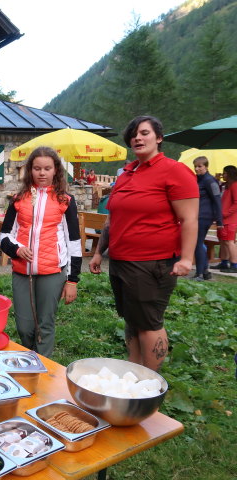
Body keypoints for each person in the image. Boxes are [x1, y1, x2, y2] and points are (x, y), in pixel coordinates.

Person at [89, 115, 198, 371]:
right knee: (131, 318)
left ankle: (149, 382)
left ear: (159, 138)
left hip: (152, 262)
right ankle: (133, 369)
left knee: (149, 322)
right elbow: (112, 218)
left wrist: (186, 259)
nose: (138, 138)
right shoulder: (127, 173)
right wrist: (98, 253)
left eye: (145, 133)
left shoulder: (174, 171)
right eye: (134, 134)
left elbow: (190, 218)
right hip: (120, 260)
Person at [0, 147, 81, 357]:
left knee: (45, 324)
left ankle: (42, 366)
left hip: (52, 272)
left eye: (47, 168)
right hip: (22, 271)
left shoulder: (65, 201)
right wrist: (17, 249)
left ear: (56, 171)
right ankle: (29, 356)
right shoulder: (18, 199)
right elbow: (4, 236)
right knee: (25, 326)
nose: (42, 173)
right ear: (30, 171)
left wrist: (72, 280)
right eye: (37, 168)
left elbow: (73, 241)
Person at [192, 156, 223, 280]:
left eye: (200, 166)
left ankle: (199, 274)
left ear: (206, 166)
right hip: (196, 215)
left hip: (204, 216)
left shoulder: (210, 181)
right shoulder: (198, 180)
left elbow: (217, 200)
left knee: (197, 243)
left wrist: (220, 220)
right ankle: (205, 272)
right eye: (195, 166)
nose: (197, 169)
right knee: (198, 243)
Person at [211, 165, 237, 273]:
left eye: (225, 173)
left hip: (230, 219)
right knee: (222, 241)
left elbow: (236, 202)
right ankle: (224, 262)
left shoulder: (235, 185)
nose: (223, 175)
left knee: (229, 242)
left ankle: (234, 265)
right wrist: (216, 179)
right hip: (222, 219)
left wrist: (226, 213)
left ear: (230, 174)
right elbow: (215, 190)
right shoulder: (226, 185)